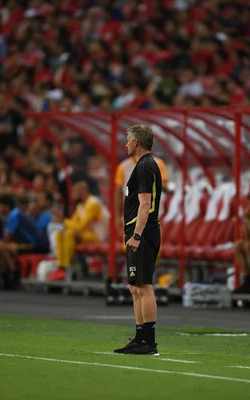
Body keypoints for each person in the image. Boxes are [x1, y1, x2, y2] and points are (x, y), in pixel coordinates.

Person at [114, 125, 162, 356]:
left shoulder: (145, 166)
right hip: (137, 232)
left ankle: (149, 343)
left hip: (142, 232)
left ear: (136, 142)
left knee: (144, 286)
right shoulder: (142, 166)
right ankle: (140, 337)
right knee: (135, 287)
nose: (125, 145)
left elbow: (145, 205)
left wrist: (136, 235)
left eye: (127, 140)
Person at [49, 181, 109, 281]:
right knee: (61, 233)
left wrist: (63, 220)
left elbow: (81, 225)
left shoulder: (93, 203)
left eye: (75, 191)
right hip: (87, 233)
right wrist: (66, 223)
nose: (73, 194)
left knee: (69, 233)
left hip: (98, 235)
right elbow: (73, 222)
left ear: (82, 191)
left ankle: (67, 267)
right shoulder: (81, 205)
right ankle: (61, 267)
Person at [0, 195, 49, 284]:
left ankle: (13, 273)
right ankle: (7, 273)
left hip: (35, 245)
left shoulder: (13, 216)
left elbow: (6, 238)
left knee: (1, 247)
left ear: (5, 206)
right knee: (0, 247)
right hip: (26, 244)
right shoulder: (14, 214)